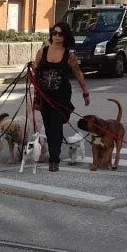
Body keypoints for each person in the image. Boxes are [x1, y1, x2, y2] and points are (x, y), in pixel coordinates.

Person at [33, 21, 90, 172]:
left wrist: (86, 92)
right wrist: (30, 69)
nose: (57, 36)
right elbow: (35, 69)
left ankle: (54, 159)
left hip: (61, 96)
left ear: (65, 36)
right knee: (49, 128)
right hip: (44, 96)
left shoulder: (69, 56)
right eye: (54, 33)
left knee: (56, 128)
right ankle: (53, 156)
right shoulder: (42, 51)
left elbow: (78, 74)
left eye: (60, 34)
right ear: (51, 35)